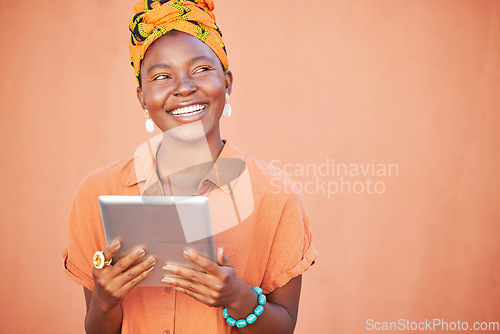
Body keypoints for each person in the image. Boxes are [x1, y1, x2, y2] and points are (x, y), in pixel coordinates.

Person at [63, 0, 317, 333]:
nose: (184, 87)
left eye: (200, 70)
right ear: (142, 97)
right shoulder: (97, 193)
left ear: (227, 82)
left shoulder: (274, 195)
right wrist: (104, 299)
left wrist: (237, 297)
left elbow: (284, 326)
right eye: (162, 75)